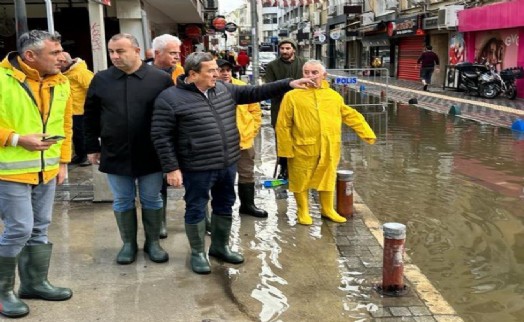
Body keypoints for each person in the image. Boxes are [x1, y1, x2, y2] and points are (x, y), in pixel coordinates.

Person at [150, 52, 316, 274]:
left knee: (225, 204)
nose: (217, 74)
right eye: (211, 70)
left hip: (227, 163)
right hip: (197, 166)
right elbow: (161, 136)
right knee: (196, 207)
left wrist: (289, 83)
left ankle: (220, 247)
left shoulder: (224, 90)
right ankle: (198, 253)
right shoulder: (170, 98)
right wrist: (171, 168)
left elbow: (256, 92)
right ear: (192, 74)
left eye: (216, 69)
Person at [0, 30, 73, 318]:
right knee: (20, 228)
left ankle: (34, 283)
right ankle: (4, 291)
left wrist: (63, 162)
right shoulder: (2, 80)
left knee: (40, 227)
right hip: (10, 172)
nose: (62, 57)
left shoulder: (61, 81)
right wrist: (18, 139)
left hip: (47, 170)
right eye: (54, 53)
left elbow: (65, 125)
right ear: (30, 56)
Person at [84, 33, 173, 265]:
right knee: (122, 200)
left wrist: (172, 152)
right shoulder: (101, 79)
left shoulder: (159, 79)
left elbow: (172, 117)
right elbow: (90, 116)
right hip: (115, 151)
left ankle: (153, 242)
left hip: (151, 152)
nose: (114, 56)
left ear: (137, 50)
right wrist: (92, 146)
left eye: (120, 51)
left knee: (152, 199)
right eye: (111, 51)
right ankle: (128, 244)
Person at [276, 60, 377, 226]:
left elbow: (350, 114)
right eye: (306, 72)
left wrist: (366, 132)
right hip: (302, 146)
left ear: (324, 75)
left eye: (314, 72)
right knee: (300, 178)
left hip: (329, 146)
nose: (309, 76)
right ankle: (303, 210)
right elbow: (283, 124)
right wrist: (285, 150)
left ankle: (327, 209)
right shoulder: (292, 96)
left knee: (328, 177)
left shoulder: (333, 96)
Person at [217, 59, 267, 218]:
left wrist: (251, 131)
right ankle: (222, 209)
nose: (225, 73)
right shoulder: (210, 88)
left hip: (244, 141)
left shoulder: (242, 87)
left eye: (227, 70)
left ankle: (247, 205)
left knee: (247, 173)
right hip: (220, 144)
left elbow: (255, 111)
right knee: (222, 177)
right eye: (221, 70)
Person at [151, 33, 184, 238]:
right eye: (172, 53)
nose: (177, 57)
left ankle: (201, 219)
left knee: (193, 180)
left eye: (178, 53)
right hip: (158, 134)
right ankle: (160, 221)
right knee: (158, 182)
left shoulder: (182, 73)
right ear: (157, 53)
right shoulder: (146, 75)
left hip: (182, 134)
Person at [265, 38, 307, 179]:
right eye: (282, 49)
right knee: (282, 139)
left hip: (301, 108)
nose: (284, 51)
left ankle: (300, 166)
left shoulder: (304, 64)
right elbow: (270, 87)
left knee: (301, 136)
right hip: (280, 108)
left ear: (293, 49)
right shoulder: (272, 66)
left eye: (288, 48)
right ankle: (284, 167)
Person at [59, 51, 94, 167]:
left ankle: (86, 156)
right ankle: (79, 155)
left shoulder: (81, 72)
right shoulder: (65, 73)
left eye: (58, 62)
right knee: (74, 135)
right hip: (70, 110)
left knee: (81, 134)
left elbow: (92, 89)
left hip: (80, 110)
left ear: (64, 62)